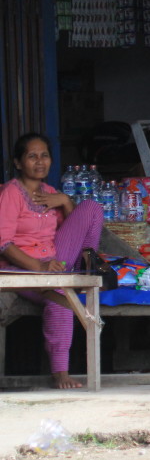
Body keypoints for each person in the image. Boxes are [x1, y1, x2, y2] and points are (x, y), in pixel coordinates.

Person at [0, 133, 103, 389]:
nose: (39, 161)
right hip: (22, 269)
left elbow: (72, 231)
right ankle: (60, 373)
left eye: (44, 155)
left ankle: (86, 267)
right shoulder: (11, 193)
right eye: (32, 156)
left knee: (91, 207)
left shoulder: (50, 193)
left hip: (55, 260)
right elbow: (3, 242)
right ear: (18, 162)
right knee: (61, 292)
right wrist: (40, 268)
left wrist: (66, 202)